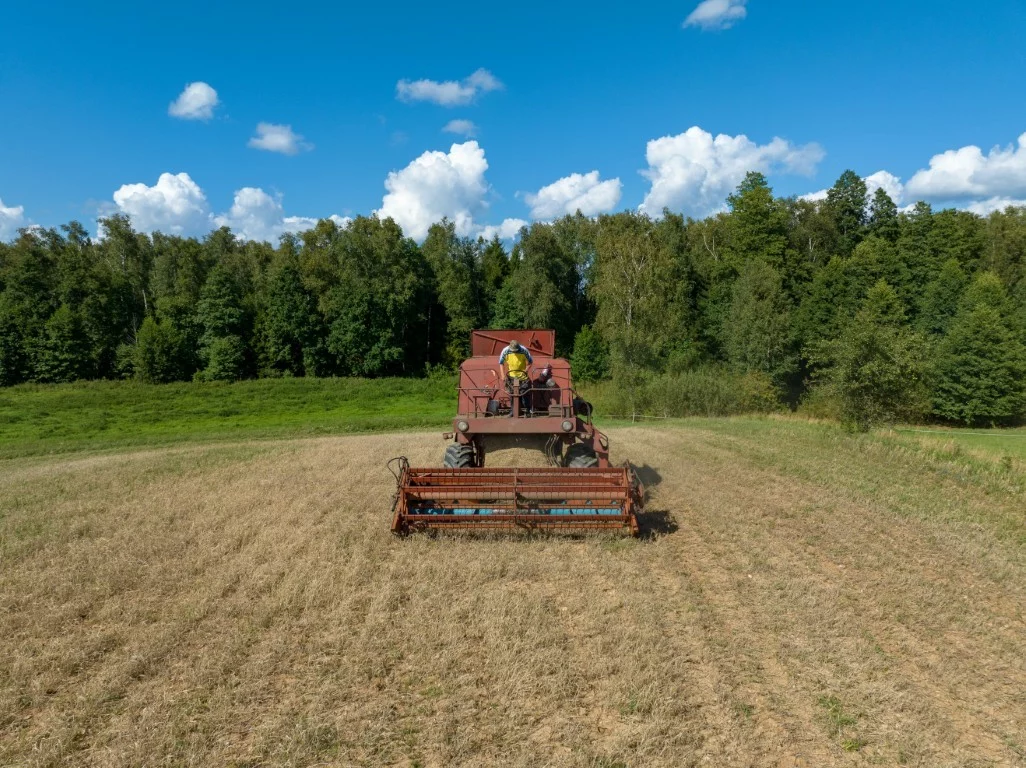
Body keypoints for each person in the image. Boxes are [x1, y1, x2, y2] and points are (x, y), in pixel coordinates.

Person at [498, 340, 533, 415]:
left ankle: (527, 410)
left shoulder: (524, 350)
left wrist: (525, 371)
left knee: (525, 393)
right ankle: (513, 411)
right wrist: (502, 375)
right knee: (512, 394)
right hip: (511, 376)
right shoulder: (505, 351)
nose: (514, 352)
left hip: (522, 376)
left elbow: (530, 362)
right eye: (513, 351)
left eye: (515, 351)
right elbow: (501, 363)